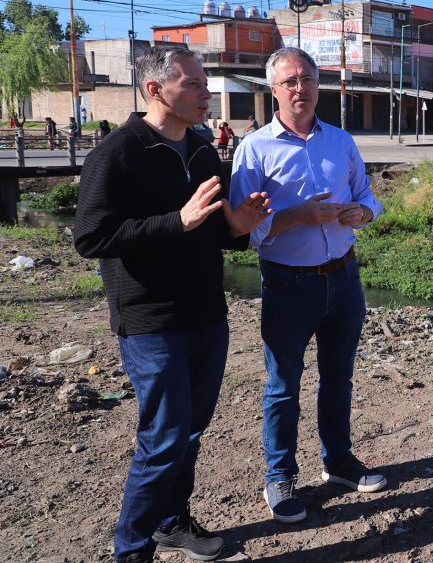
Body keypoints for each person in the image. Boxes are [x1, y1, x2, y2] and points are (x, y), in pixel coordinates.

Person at [74, 46, 271, 563]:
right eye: (194, 84)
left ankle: (171, 521)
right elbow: (90, 237)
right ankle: (132, 552)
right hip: (150, 321)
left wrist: (238, 229)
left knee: (192, 431)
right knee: (162, 440)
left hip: (207, 314)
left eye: (205, 83)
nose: (206, 93)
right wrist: (175, 222)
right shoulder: (117, 151)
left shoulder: (205, 150)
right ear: (154, 90)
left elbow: (216, 233)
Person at [229, 47, 386, 525]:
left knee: (338, 377)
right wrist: (294, 216)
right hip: (287, 284)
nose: (300, 88)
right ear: (273, 90)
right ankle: (279, 476)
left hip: (343, 276)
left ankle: (337, 461)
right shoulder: (254, 149)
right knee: (283, 386)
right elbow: (242, 229)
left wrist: (365, 212)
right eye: (290, 81)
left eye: (308, 79)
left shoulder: (340, 141)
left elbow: (367, 195)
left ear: (319, 86)